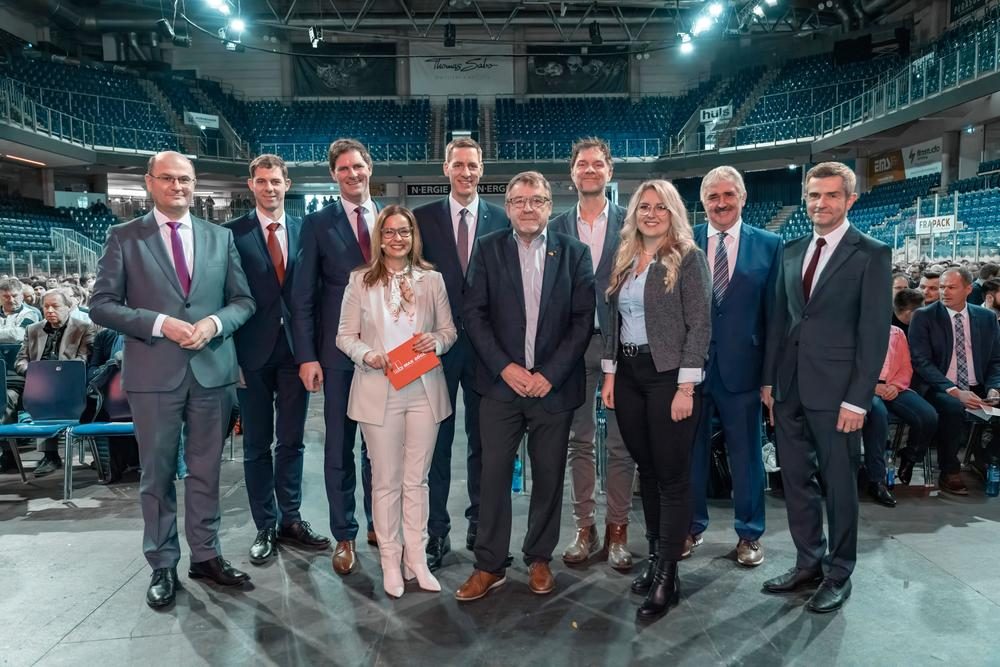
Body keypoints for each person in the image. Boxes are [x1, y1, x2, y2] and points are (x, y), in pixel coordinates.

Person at [90, 151, 256, 610]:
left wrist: (215, 325)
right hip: (153, 374)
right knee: (157, 475)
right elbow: (101, 305)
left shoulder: (219, 237)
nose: (178, 186)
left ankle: (206, 556)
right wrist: (161, 323)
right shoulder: (124, 236)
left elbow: (243, 301)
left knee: (206, 472)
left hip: (212, 372)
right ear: (149, 183)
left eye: (185, 179)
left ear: (195, 182)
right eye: (168, 179)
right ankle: (162, 562)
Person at [455, 171, 595, 602]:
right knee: (492, 476)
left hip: (553, 389)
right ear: (509, 207)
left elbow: (580, 320)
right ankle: (489, 564)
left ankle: (538, 558)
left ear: (549, 205)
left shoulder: (574, 253)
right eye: (518, 201)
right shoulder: (487, 248)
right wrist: (506, 368)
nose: (527, 208)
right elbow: (474, 314)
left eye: (536, 200)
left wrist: (549, 373)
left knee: (550, 477)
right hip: (500, 388)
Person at [761, 161, 891, 614]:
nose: (821, 203)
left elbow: (874, 333)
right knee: (795, 482)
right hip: (790, 389)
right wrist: (770, 382)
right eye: (815, 195)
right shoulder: (792, 249)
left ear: (850, 199)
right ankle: (807, 563)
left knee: (838, 486)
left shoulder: (871, 253)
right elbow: (780, 320)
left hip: (839, 396)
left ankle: (839, 572)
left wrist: (859, 398)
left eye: (832, 195)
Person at [600, 179, 711, 620]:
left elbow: (700, 325)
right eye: (643, 206)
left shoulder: (688, 258)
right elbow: (610, 319)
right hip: (628, 375)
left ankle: (668, 571)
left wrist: (686, 387)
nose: (650, 213)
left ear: (673, 213)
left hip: (669, 378)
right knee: (647, 470)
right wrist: (609, 374)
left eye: (659, 207)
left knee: (672, 477)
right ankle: (656, 559)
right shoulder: (623, 256)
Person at [337, 205, 457, 598]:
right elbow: (344, 336)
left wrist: (436, 342)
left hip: (423, 389)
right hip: (377, 389)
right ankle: (390, 560)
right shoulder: (360, 282)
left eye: (404, 231)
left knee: (416, 481)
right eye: (389, 232)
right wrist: (368, 355)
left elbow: (449, 331)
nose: (397, 238)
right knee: (386, 482)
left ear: (413, 236)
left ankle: (416, 559)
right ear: (379, 237)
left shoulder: (432, 279)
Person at [224, 154, 330, 566]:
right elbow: (223, 296)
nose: (270, 188)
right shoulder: (231, 234)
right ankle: (263, 524)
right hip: (250, 355)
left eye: (277, 181)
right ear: (251, 185)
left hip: (297, 355)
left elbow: (315, 296)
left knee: (292, 441)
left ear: (288, 184)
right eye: (262, 181)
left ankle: (291, 518)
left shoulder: (307, 231)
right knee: (255, 445)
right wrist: (229, 356)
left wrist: (314, 352)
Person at [413, 137, 509, 570]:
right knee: (436, 442)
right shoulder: (421, 219)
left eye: (473, 165)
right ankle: (436, 532)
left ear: (482, 169)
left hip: (488, 349)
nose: (466, 172)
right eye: (458, 165)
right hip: (436, 349)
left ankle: (480, 524)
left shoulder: (502, 219)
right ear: (445, 168)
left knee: (485, 442)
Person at [546, 137, 634, 572]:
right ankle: (586, 526)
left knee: (621, 443)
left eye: (598, 164)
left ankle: (618, 529)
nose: (590, 170)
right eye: (582, 164)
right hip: (574, 346)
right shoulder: (557, 226)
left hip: (623, 345)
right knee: (579, 440)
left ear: (609, 171)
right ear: (572, 173)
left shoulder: (632, 223)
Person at [291, 138, 377, 576]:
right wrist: (307, 356)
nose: (353, 174)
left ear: (370, 169)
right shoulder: (317, 224)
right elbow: (302, 296)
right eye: (344, 169)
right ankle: (344, 534)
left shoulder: (392, 221)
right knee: (341, 448)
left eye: (358, 167)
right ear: (333, 175)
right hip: (338, 357)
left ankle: (379, 521)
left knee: (381, 447)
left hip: (386, 357)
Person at [690, 166, 782, 567]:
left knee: (746, 459)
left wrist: (769, 378)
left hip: (745, 373)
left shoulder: (770, 244)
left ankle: (749, 535)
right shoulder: (684, 241)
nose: (721, 203)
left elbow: (776, 317)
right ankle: (690, 527)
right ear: (703, 201)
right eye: (712, 197)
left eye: (728, 195)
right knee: (689, 457)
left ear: (743, 198)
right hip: (690, 372)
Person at [908, 267, 1000, 496]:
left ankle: (988, 459)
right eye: (942, 287)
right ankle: (949, 470)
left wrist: (994, 387)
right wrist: (955, 391)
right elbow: (921, 362)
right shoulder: (924, 316)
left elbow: (996, 360)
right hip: (939, 385)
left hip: (978, 384)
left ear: (968, 289)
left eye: (951, 287)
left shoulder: (987, 318)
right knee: (953, 408)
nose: (944, 292)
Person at [7, 289, 95, 477]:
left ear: (68, 307)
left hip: (68, 382)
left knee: (47, 394)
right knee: (9, 397)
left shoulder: (83, 328)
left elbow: (83, 360)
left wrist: (55, 373)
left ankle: (50, 455)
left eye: (55, 306)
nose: (49, 310)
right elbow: (20, 360)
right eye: (46, 306)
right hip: (36, 382)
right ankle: (8, 455)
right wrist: (34, 371)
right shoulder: (33, 330)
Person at [861, 319, 938, 497]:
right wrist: (872, 387)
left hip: (895, 386)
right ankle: (876, 479)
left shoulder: (897, 332)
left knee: (928, 416)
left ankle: (910, 457)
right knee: (878, 414)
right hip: (865, 388)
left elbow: (905, 366)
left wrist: (895, 386)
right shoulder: (852, 330)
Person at [0, 277, 42, 344]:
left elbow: (20, 335)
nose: (11, 300)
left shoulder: (31, 313)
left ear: (22, 296)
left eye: (14, 296)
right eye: (6, 296)